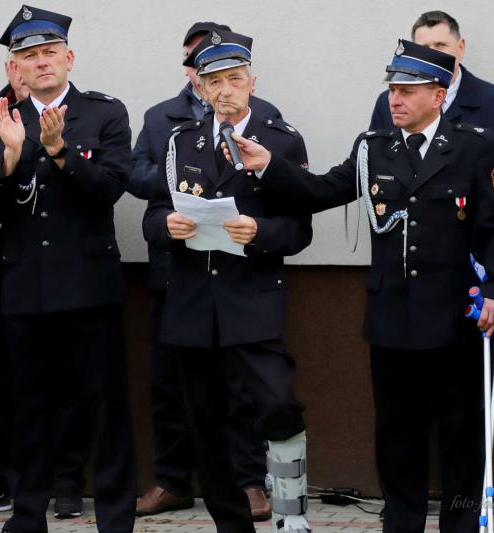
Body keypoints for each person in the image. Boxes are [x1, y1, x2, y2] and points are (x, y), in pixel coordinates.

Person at [227, 40, 494, 533]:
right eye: (392, 89)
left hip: (454, 318)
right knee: (397, 439)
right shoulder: (373, 147)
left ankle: (461, 526)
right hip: (392, 321)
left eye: (407, 91)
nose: (394, 99)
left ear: (439, 95)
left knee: (460, 437)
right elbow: (323, 190)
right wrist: (268, 165)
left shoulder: (474, 146)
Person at [143, 29, 312, 533]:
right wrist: (167, 226)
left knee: (278, 404)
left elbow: (299, 229)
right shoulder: (181, 142)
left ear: (252, 81)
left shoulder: (281, 139)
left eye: (234, 79)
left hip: (252, 299)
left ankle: (291, 516)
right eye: (214, 81)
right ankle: (230, 525)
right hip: (193, 303)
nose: (225, 90)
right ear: (200, 86)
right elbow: (153, 215)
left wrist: (260, 232)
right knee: (204, 423)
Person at [0, 5, 136, 532]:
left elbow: (109, 189)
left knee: (106, 407)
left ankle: (116, 520)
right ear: (16, 67)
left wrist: (61, 153)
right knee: (27, 408)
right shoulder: (0, 119)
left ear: (69, 58)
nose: (41, 62)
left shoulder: (104, 112)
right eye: (29, 56)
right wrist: (8, 159)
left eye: (50, 52)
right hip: (24, 285)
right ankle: (26, 518)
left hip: (89, 285)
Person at [0, 49, 88, 522]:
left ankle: (66, 480)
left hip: (56, 267)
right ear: (9, 69)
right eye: (19, 61)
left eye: (41, 56)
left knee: (65, 378)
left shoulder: (74, 112)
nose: (30, 69)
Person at [369, 10, 494, 200]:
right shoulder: (389, 103)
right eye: (424, 48)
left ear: (461, 47)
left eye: (441, 45)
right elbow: (374, 168)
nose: (433, 54)